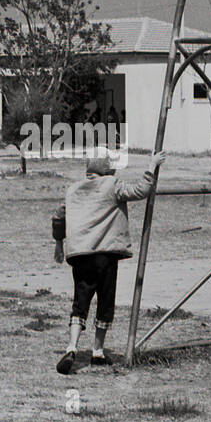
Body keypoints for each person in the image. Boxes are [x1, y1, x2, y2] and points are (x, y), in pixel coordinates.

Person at [51, 149, 165, 374]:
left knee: (80, 301)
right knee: (105, 301)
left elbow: (58, 217)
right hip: (104, 253)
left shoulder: (73, 189)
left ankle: (72, 347)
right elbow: (141, 191)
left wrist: (58, 243)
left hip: (80, 254)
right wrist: (152, 166)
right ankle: (97, 351)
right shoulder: (112, 184)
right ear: (106, 168)